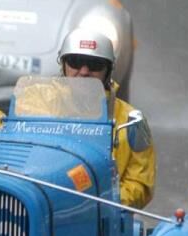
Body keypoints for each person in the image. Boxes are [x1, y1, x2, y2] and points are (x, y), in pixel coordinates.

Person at [57, 29, 155, 209]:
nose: (84, 71)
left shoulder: (131, 120)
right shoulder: (38, 102)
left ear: (108, 71)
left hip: (103, 218)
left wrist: (102, 202)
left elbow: (140, 184)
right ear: (63, 65)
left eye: (95, 65)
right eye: (76, 62)